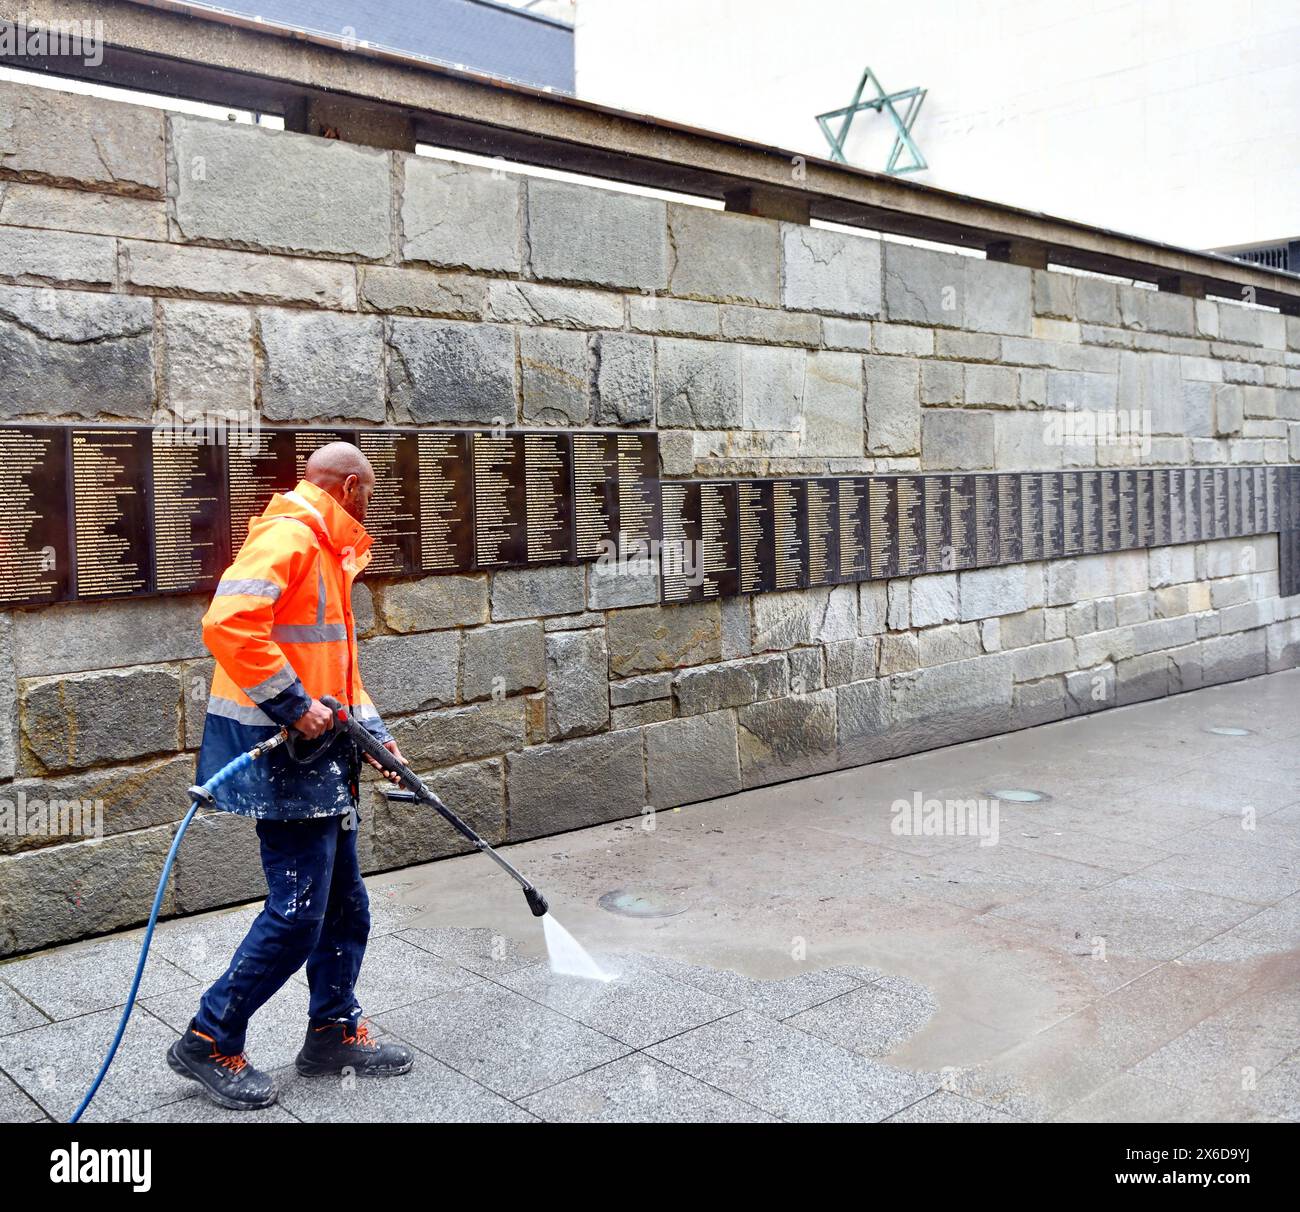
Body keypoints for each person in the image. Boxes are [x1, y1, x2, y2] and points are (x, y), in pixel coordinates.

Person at [166, 441, 414, 1111]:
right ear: (351, 488)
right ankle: (208, 1038)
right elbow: (229, 622)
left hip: (320, 757)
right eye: (369, 492)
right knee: (299, 911)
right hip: (281, 757)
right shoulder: (291, 536)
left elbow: (334, 670)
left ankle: (332, 1030)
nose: (371, 503)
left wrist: (376, 738)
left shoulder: (327, 553)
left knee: (343, 904)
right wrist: (294, 706)